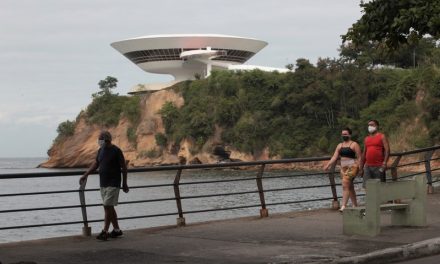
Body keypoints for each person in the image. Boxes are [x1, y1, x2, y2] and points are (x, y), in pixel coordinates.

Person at [79, 131, 129, 241]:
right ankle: (116, 230)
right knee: (109, 207)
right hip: (103, 183)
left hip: (114, 183)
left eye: (101, 139)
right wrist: (85, 175)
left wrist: (124, 183)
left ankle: (105, 232)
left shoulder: (116, 151)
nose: (99, 141)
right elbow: (96, 163)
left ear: (107, 140)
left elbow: (124, 168)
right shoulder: (100, 151)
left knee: (107, 205)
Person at [324, 128, 362, 212]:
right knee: (350, 186)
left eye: (345, 134)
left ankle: (343, 205)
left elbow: (359, 157)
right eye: (342, 134)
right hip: (343, 167)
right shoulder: (339, 145)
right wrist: (328, 165)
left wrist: (360, 168)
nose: (344, 136)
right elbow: (335, 156)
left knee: (345, 183)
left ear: (349, 135)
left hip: (352, 166)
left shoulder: (354, 144)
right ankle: (355, 205)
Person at [360, 119, 390, 188]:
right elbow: (364, 153)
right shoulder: (366, 138)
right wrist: (361, 168)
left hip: (379, 166)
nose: (370, 126)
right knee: (367, 187)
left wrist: (385, 163)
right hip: (367, 166)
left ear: (377, 126)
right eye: (369, 125)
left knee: (380, 187)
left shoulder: (382, 136)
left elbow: (387, 150)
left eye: (372, 125)